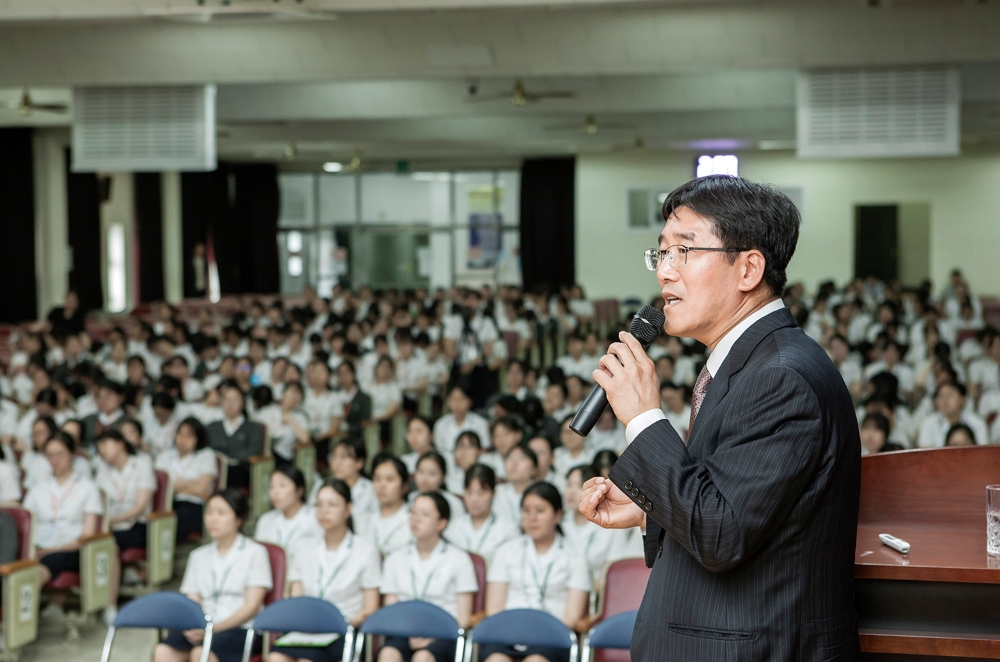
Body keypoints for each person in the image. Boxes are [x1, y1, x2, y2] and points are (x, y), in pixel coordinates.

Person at [580, 176, 862, 661]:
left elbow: (722, 532)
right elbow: (739, 503)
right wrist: (652, 509)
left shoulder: (781, 377)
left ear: (748, 267)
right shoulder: (746, 362)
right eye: (661, 254)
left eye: (683, 252)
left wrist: (644, 417)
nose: (665, 273)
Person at [271, 478, 382, 662]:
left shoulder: (366, 551)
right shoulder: (303, 547)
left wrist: (339, 623)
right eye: (319, 505)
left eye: (332, 505)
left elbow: (370, 608)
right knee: (275, 656)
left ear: (348, 509)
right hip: (306, 629)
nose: (324, 511)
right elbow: (297, 600)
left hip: (344, 630)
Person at [154, 489, 272, 662]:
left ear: (239, 519)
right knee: (163, 650)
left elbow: (251, 607)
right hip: (202, 626)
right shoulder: (198, 555)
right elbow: (192, 600)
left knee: (201, 653)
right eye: (209, 512)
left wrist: (213, 629)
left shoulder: (255, 552)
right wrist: (193, 626)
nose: (212, 519)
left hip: (240, 629)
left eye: (221, 513)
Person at [482, 482, 591, 662]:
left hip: (551, 638)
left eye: (540, 511)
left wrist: (538, 633)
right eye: (526, 511)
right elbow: (494, 609)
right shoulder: (506, 551)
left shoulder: (574, 557)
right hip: (506, 634)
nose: (532, 518)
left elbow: (571, 617)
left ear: (557, 515)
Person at [378, 492, 478, 662]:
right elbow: (391, 610)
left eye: (424, 515)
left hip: (443, 635)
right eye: (413, 513)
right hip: (403, 632)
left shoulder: (458, 559)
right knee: (388, 654)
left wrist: (431, 636)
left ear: (442, 523)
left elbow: (462, 617)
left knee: (423, 657)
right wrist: (408, 633)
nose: (416, 519)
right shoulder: (395, 558)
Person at [23, 431, 103, 619]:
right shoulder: (38, 489)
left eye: (60, 454)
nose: (54, 460)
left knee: (41, 568)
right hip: (39, 547)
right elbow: (27, 527)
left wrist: (50, 551)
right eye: (49, 455)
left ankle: (18, 623)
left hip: (71, 549)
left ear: (72, 454)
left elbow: (87, 536)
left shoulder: (87, 488)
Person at [95, 429, 157, 622]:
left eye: (105, 445)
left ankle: (110, 604)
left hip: (137, 524)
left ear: (120, 443)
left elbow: (139, 506)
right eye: (99, 448)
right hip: (111, 525)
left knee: (107, 545)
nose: (102, 451)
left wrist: (111, 521)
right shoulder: (103, 470)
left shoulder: (142, 464)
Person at [155, 417, 219, 541]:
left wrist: (173, 487)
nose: (183, 439)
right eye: (180, 434)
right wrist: (189, 484)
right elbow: (159, 488)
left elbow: (201, 490)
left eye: (189, 436)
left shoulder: (206, 455)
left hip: (194, 506)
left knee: (173, 521)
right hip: (168, 503)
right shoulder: (165, 456)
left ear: (198, 438)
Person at [447, 464, 520, 564]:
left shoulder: (509, 529)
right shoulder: (452, 527)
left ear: (493, 493)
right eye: (469, 492)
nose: (474, 499)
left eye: (481, 493)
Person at [254, 467, 323, 564]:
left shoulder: (315, 517)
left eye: (282, 486)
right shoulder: (265, 520)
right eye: (271, 487)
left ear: (299, 490)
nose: (275, 492)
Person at [206, 384, 264, 489]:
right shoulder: (212, 426)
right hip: (213, 470)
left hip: (239, 471)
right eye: (227, 400)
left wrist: (229, 458)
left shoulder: (252, 427)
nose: (230, 404)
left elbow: (254, 450)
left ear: (243, 403)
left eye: (235, 400)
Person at [312, 438, 377, 530]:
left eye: (344, 457)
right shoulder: (321, 486)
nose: (337, 462)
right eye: (334, 456)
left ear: (359, 462)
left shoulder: (371, 489)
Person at [917, 381, 988, 448]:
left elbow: (982, 452)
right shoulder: (929, 423)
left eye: (949, 395)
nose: (945, 400)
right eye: (941, 396)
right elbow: (925, 454)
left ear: (963, 399)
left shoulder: (977, 423)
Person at [432, 384, 490, 455]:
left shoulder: (480, 423)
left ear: (469, 401)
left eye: (461, 399)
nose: (457, 403)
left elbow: (484, 449)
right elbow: (439, 452)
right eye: (453, 399)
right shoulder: (440, 424)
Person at [410, 451, 465, 517]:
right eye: (421, 472)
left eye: (432, 474)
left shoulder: (454, 504)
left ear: (443, 478)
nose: (425, 479)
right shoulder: (410, 498)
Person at [493, 444, 538, 525]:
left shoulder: (542, 493)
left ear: (534, 469)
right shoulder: (495, 492)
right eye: (510, 458)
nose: (514, 463)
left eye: (521, 458)